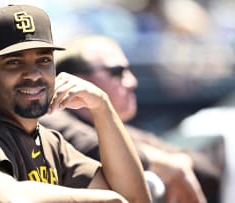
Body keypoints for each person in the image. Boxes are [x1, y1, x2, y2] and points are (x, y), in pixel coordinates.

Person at [0, 4, 151, 203]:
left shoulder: (50, 142)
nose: (33, 74)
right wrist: (92, 198)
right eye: (14, 62)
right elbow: (3, 200)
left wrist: (102, 107)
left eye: (43, 60)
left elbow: (133, 199)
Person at [40, 35, 221, 203]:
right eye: (117, 72)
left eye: (129, 71)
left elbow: (205, 170)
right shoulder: (50, 118)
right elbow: (88, 144)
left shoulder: (118, 128)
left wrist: (177, 163)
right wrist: (166, 164)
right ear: (76, 80)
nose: (132, 81)